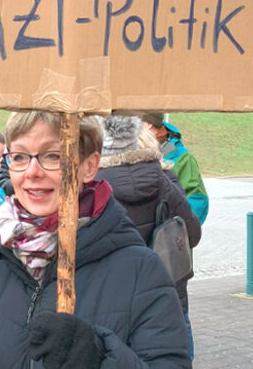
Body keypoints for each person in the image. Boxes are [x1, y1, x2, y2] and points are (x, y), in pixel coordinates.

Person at [0, 112, 190, 369]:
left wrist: (99, 358)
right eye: (19, 157)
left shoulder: (141, 271)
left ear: (89, 166)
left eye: (52, 156)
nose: (32, 172)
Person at [95, 114, 202, 359]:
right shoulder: (166, 180)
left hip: (113, 296)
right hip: (168, 288)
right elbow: (192, 235)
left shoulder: (92, 184)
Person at [142, 112, 210, 224]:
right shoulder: (126, 152)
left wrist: (177, 230)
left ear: (147, 125)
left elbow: (197, 199)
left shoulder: (182, 157)